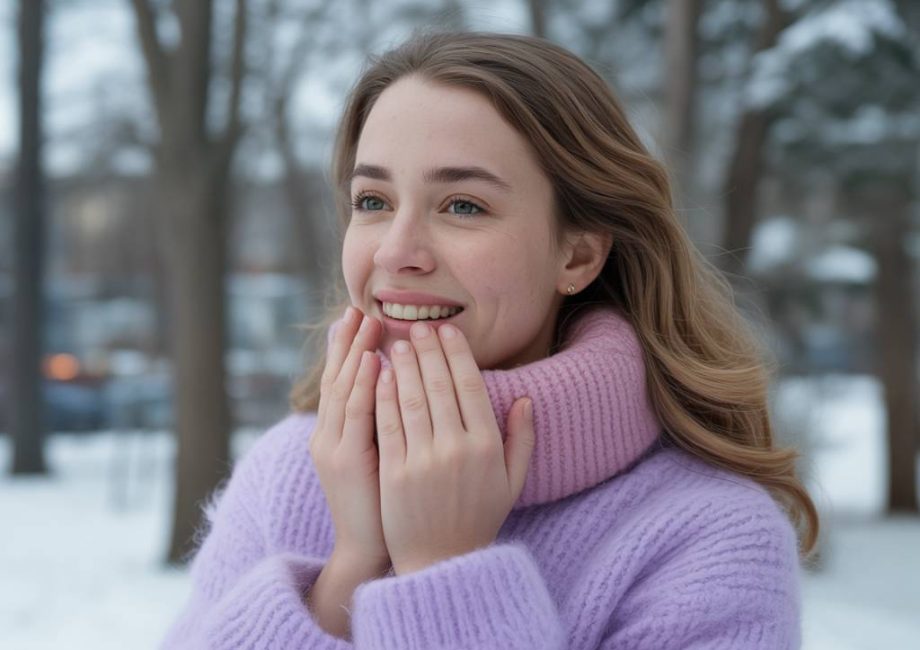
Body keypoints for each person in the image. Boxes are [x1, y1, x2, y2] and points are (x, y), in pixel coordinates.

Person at [160, 30, 819, 649]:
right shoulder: (288, 471)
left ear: (579, 256)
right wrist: (350, 569)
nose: (397, 251)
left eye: (463, 206)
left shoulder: (708, 536)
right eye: (373, 201)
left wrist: (445, 566)